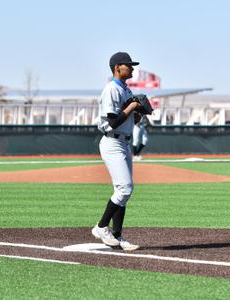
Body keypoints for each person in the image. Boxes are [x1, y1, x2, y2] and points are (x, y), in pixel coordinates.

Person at [91, 52, 144, 251]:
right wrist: (131, 106)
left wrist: (137, 115)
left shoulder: (125, 89)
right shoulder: (112, 89)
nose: (132, 68)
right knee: (125, 188)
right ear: (117, 67)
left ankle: (117, 236)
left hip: (124, 142)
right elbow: (112, 121)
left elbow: (127, 118)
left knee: (124, 192)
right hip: (112, 143)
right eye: (128, 65)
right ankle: (101, 227)